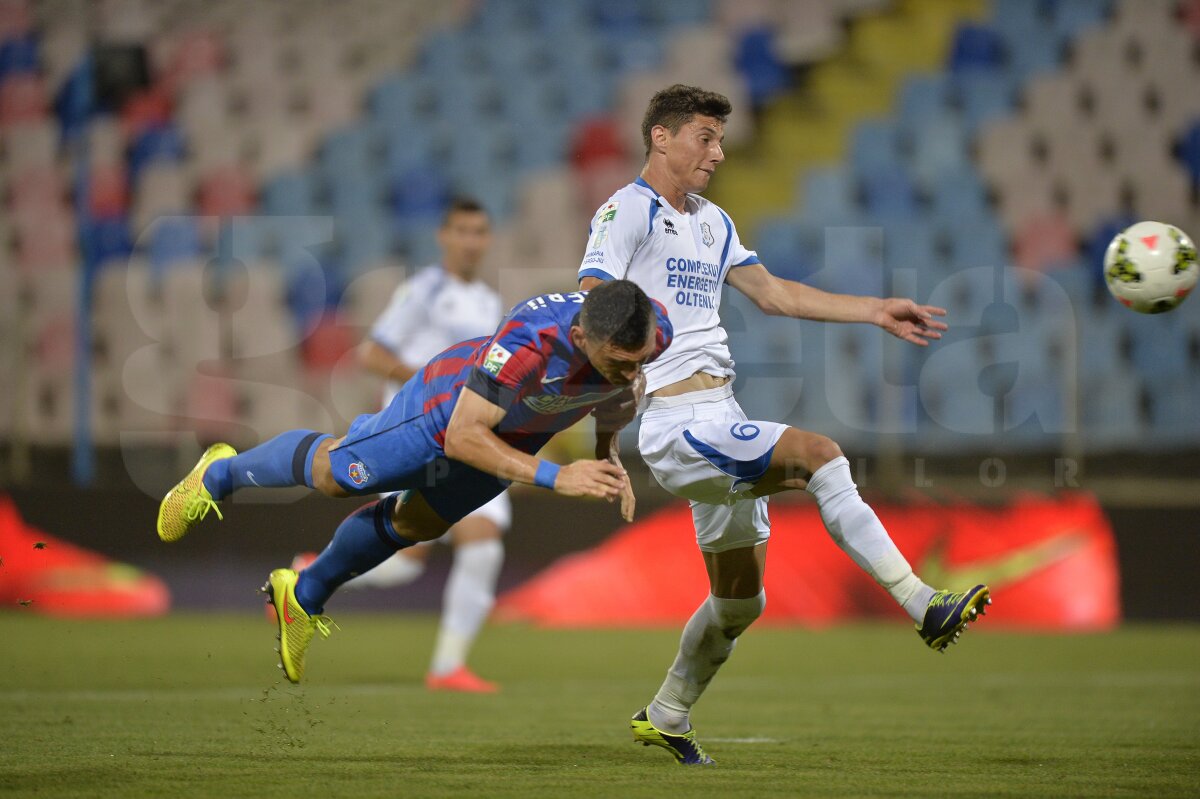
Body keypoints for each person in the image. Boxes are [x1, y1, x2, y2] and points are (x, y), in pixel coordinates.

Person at [577, 84, 990, 766]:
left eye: (718, 138)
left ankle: (667, 711)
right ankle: (923, 603)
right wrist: (615, 397)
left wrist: (873, 310)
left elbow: (774, 293)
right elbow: (592, 303)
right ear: (661, 137)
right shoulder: (627, 211)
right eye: (705, 137)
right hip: (677, 422)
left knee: (740, 603)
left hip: (721, 414)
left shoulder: (714, 222)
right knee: (819, 453)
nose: (718, 150)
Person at [157, 279, 671, 684]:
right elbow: (463, 437)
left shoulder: (650, 331)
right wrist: (558, 477)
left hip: (519, 432)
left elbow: (615, 395)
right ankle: (220, 473)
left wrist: (607, 453)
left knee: (417, 522)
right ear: (581, 337)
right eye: (618, 363)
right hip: (443, 411)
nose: (631, 373)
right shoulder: (529, 339)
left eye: (640, 361)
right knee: (338, 477)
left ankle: (305, 596)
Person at [298, 197, 510, 693]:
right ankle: (311, 575)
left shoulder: (488, 302)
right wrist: (432, 381)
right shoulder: (424, 291)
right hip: (422, 434)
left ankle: (447, 666)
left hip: (472, 435)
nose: (471, 241)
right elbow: (370, 353)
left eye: (479, 231)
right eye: (461, 230)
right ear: (444, 236)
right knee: (411, 560)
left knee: (472, 546)